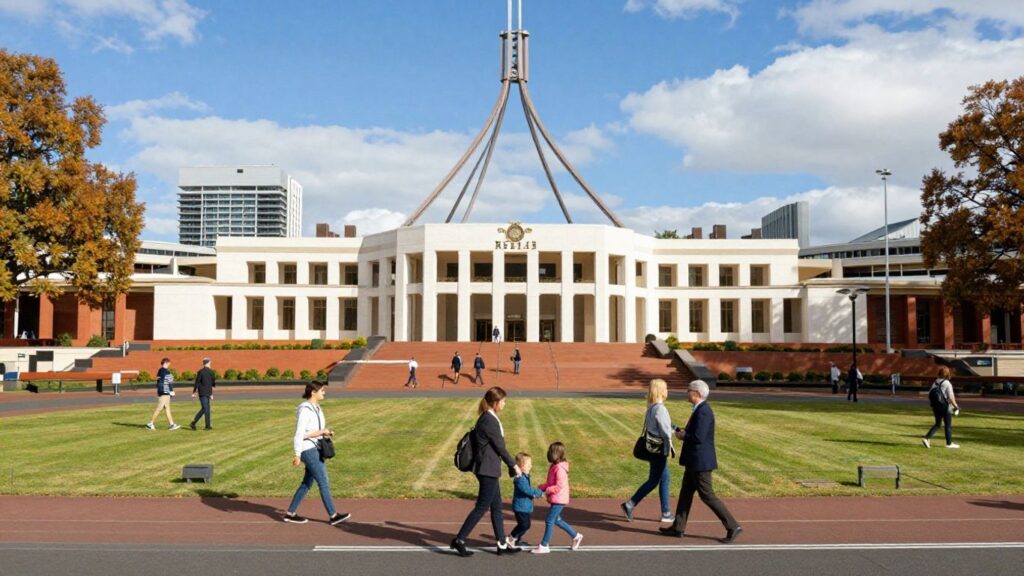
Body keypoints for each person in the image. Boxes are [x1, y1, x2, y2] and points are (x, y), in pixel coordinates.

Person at [660, 380, 742, 543]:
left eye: (688, 390)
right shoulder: (698, 410)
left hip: (700, 462)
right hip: (694, 461)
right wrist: (684, 431)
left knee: (707, 495)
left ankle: (732, 526)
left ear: (696, 393)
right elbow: (696, 433)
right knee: (685, 494)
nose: (687, 393)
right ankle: (678, 527)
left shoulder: (704, 411)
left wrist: (684, 436)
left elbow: (699, 437)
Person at [451, 386, 522, 557]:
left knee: (496, 507)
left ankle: (501, 544)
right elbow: (500, 448)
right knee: (482, 507)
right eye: (503, 401)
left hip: (488, 468)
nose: (505, 404)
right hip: (487, 469)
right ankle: (459, 539)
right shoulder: (489, 421)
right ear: (495, 403)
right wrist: (514, 465)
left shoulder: (487, 417)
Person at [283, 381, 350, 526]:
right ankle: (333, 515)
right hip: (308, 450)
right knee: (323, 481)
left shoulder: (317, 408)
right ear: (313, 392)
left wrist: (326, 432)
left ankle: (290, 513)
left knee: (307, 483)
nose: (324, 392)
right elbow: (300, 434)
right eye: (322, 390)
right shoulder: (305, 409)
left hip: (316, 448)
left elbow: (313, 430)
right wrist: (297, 454)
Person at [622, 379, 675, 524]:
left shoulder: (651, 407)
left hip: (651, 448)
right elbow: (665, 431)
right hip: (659, 450)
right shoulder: (661, 408)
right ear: (660, 391)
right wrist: (669, 447)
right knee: (655, 480)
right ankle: (631, 504)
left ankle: (665, 511)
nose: (667, 391)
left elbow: (664, 425)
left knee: (663, 479)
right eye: (665, 388)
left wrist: (675, 428)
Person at [533, 441, 583, 554]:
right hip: (557, 497)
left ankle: (544, 545)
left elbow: (558, 486)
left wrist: (546, 491)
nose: (548, 453)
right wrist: (542, 487)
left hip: (559, 499)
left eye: (550, 451)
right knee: (557, 520)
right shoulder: (554, 466)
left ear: (555, 454)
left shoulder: (559, 469)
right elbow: (551, 483)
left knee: (549, 520)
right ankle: (576, 536)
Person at [509, 452, 544, 547]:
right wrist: (539, 493)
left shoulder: (526, 476)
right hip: (520, 507)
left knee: (526, 525)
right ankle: (511, 537)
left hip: (525, 507)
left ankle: (516, 540)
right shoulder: (520, 478)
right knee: (524, 525)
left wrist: (533, 495)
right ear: (521, 466)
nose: (531, 466)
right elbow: (526, 490)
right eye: (528, 465)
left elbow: (526, 491)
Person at [922, 367, 961, 449]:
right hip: (944, 406)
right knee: (948, 425)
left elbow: (930, 393)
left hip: (936, 406)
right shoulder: (947, 383)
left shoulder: (935, 381)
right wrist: (956, 407)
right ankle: (949, 443)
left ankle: (926, 438)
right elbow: (951, 397)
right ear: (947, 374)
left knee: (937, 424)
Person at [146, 358, 180, 431]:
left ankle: (172, 424)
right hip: (165, 393)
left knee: (167, 408)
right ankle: (150, 423)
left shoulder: (160, 371)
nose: (169, 364)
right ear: (165, 363)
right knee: (159, 408)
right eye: (168, 363)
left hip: (163, 392)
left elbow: (160, 382)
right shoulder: (165, 371)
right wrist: (171, 391)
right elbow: (168, 382)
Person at [190, 358, 216, 430]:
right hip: (204, 392)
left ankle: (207, 426)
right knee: (205, 408)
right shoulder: (210, 372)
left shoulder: (201, 372)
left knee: (206, 409)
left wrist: (194, 392)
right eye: (210, 363)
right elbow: (212, 383)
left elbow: (197, 382)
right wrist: (194, 392)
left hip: (204, 392)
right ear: (207, 363)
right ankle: (194, 423)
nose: (210, 364)